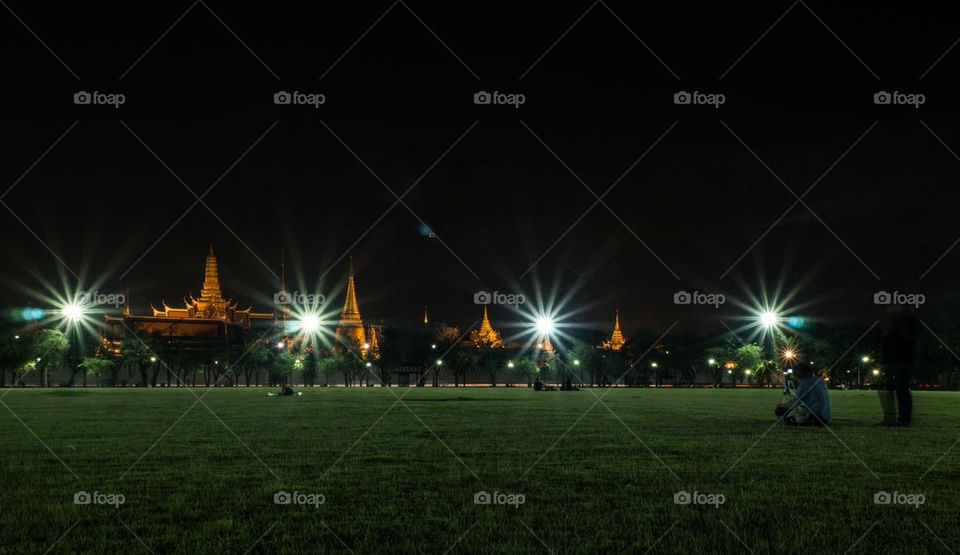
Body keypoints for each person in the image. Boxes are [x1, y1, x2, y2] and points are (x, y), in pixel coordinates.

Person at [880, 312, 919, 426]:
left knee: (901, 392)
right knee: (897, 392)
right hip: (898, 364)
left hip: (899, 364)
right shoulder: (900, 332)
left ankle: (902, 419)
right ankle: (897, 419)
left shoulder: (898, 333)